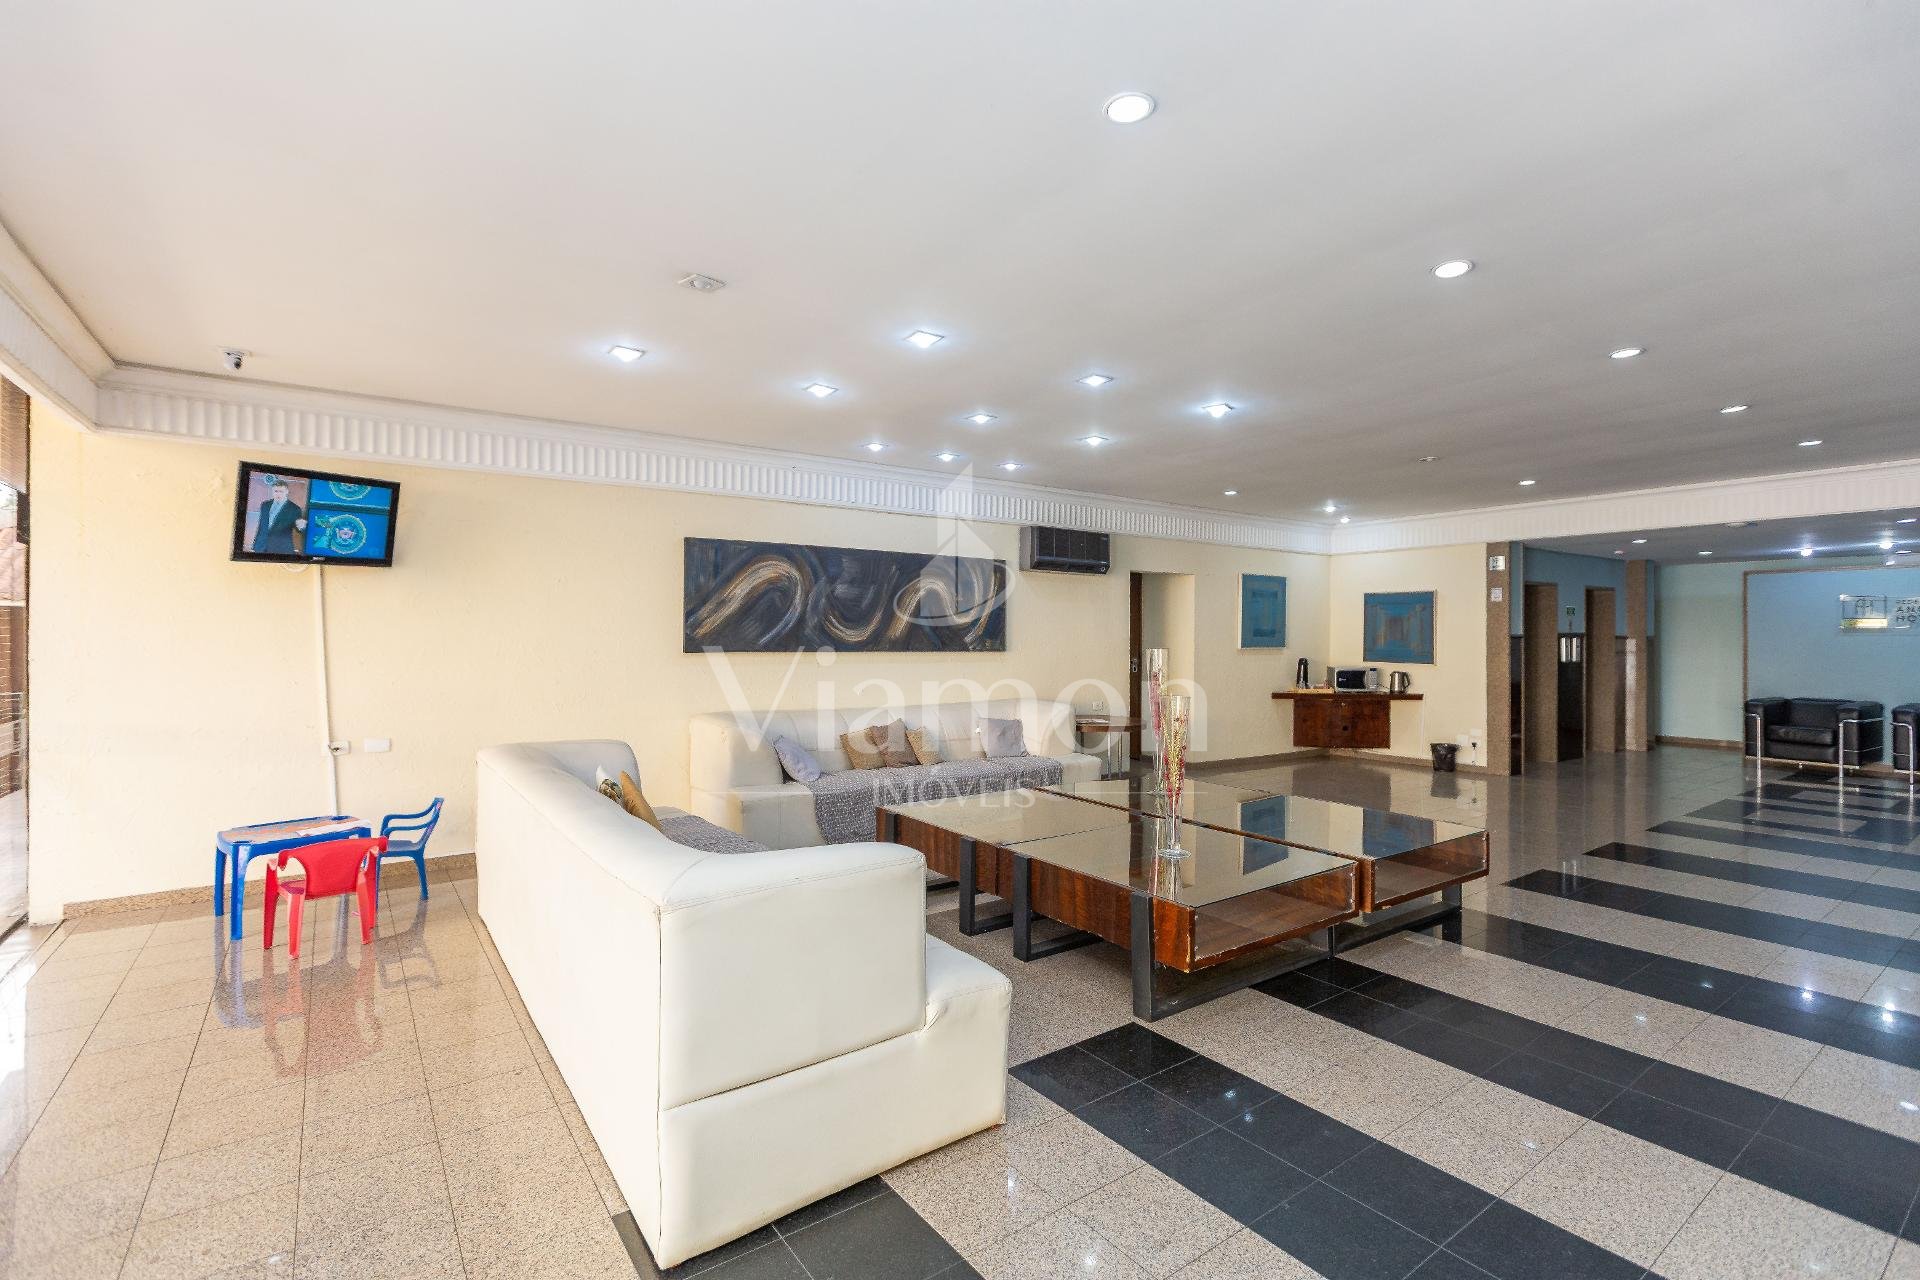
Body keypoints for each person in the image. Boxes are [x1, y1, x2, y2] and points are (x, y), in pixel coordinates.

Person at [251, 477, 306, 554]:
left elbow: (298, 528)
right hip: (261, 548)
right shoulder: (265, 505)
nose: (278, 494)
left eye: (281, 491)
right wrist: (255, 546)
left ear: (287, 492)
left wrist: (301, 526)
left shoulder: (294, 509)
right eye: (276, 491)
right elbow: (261, 526)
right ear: (272, 491)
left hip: (281, 549)